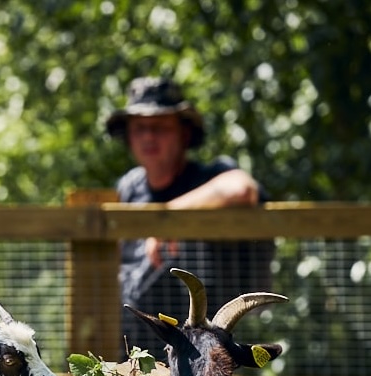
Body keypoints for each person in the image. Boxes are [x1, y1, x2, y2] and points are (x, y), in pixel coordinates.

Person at [106, 76, 274, 357]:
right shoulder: (128, 187)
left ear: (184, 133)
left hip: (205, 356)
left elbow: (241, 188)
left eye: (159, 127)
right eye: (139, 128)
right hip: (137, 357)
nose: (148, 136)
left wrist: (169, 219)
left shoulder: (210, 177)